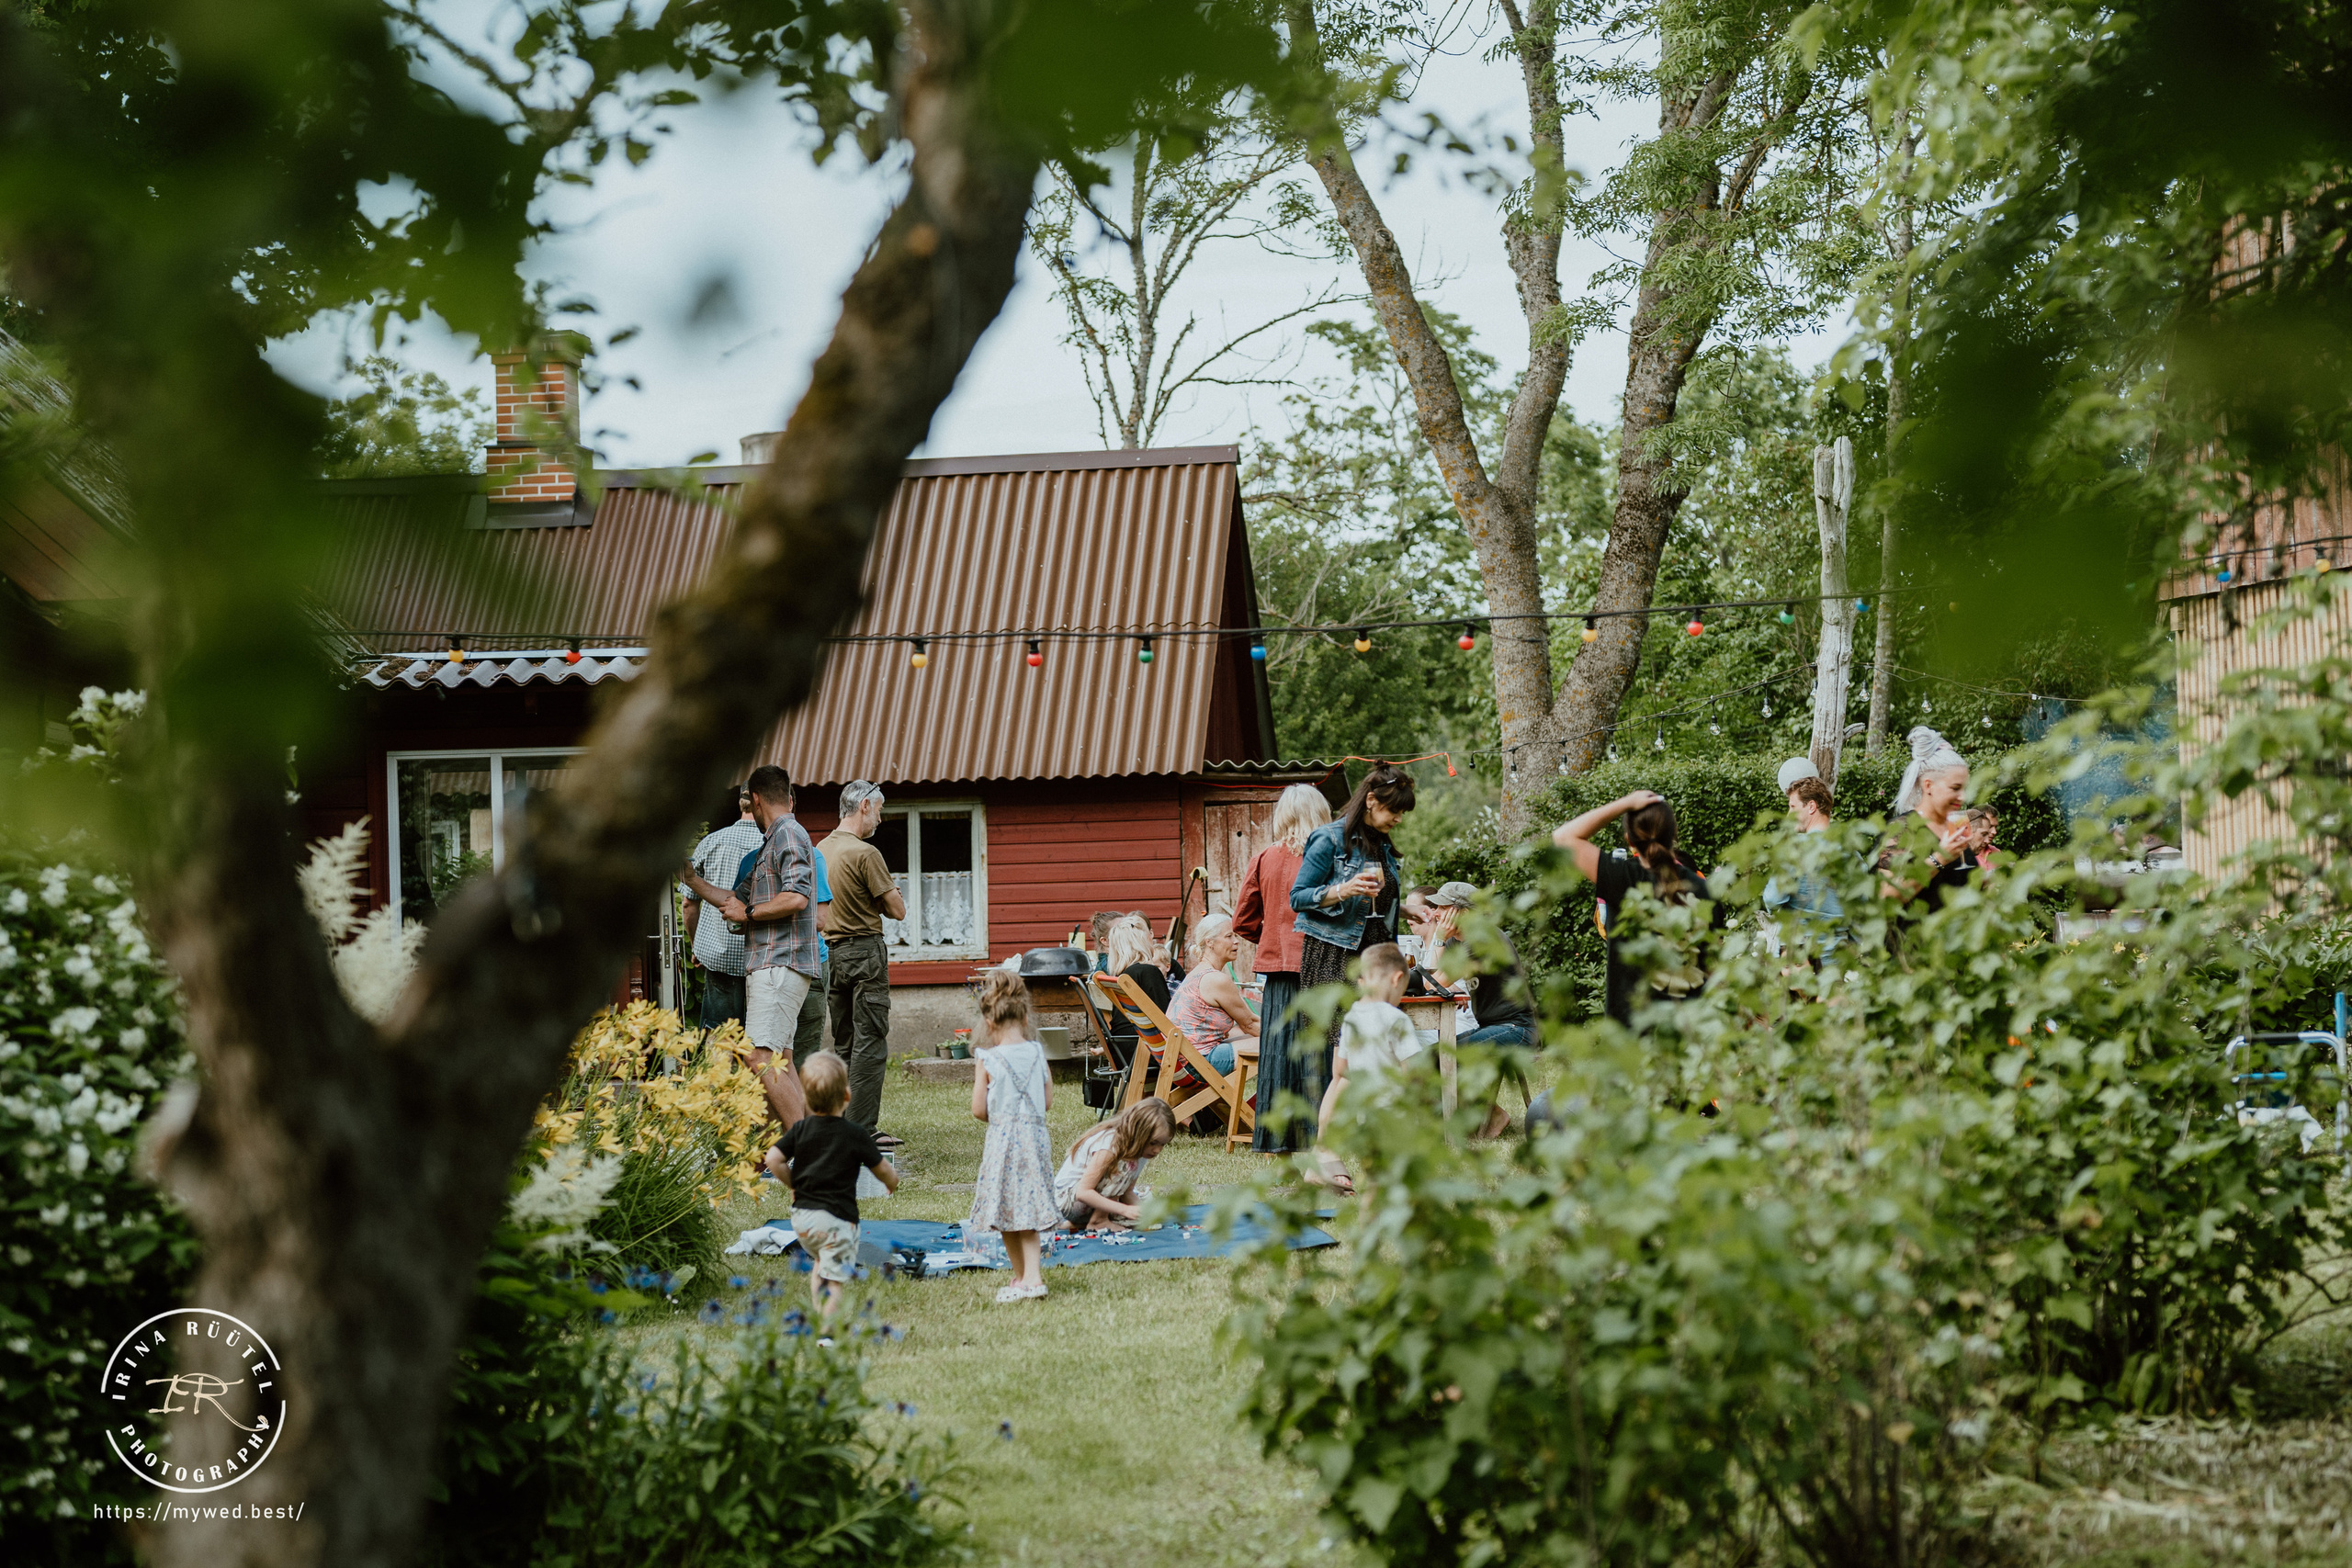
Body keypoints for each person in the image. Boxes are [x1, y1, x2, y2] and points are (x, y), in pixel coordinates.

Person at [1291, 764, 1416, 1097]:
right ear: (1371, 800)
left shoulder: (1381, 843)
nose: (1398, 819)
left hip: (1372, 957)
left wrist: (1407, 909)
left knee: (1372, 1049)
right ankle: (1328, 1131)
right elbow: (1298, 897)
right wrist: (1342, 890)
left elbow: (1374, 900)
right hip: (1337, 956)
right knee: (1344, 1063)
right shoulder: (1329, 838)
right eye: (1394, 810)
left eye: (1402, 813)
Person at [1552, 789, 1724, 1028]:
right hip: (1691, 1031)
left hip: (1631, 1034)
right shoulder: (1705, 890)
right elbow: (1715, 969)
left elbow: (1563, 837)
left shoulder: (1622, 879)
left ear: (1629, 840)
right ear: (1673, 833)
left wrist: (1625, 803)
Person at [1231, 783, 1331, 1153]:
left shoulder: (1264, 858)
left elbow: (1242, 922)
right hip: (1322, 970)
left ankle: (1277, 1142)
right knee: (1319, 1055)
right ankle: (1319, 1140)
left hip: (1278, 974)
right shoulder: (1331, 859)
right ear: (1321, 815)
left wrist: (1273, 939)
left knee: (1277, 1055)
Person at [766, 1051, 898, 1325]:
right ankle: (828, 1333)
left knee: (821, 1265)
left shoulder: (800, 1129)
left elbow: (773, 1159)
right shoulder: (855, 1134)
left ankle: (819, 1313)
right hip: (836, 1221)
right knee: (834, 1280)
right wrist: (891, 1183)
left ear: (805, 1099)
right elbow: (883, 1169)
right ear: (847, 1096)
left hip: (803, 1221)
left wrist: (793, 1183)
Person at [1404, 881, 1535, 1138]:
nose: (1436, 913)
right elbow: (1436, 977)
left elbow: (1435, 983)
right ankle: (1491, 1114)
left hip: (1516, 1030)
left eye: (1442, 908)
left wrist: (1439, 938)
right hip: (1491, 1027)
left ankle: (1485, 1119)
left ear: (1462, 912)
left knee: (1443, 1058)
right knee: (1427, 1059)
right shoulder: (1458, 941)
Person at [821, 780, 909, 1150]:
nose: (880, 820)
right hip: (864, 954)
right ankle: (862, 1130)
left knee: (844, 1042)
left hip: (830, 955)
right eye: (879, 811)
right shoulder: (865, 853)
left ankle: (839, 1122)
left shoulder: (820, 849)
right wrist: (886, 897)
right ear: (865, 806)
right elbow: (898, 910)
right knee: (870, 1039)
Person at [968, 969, 1059, 1303]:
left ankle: (1031, 1278)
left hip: (1003, 1142)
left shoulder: (988, 1058)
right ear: (1024, 1017)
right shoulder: (1037, 1052)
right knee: (1027, 1208)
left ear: (988, 1022)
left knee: (1006, 1211)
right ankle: (1023, 1278)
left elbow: (978, 1109)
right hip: (1034, 1140)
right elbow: (1046, 1102)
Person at [742, 764, 820, 1127]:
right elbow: (734, 901)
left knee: (759, 1057)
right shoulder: (773, 840)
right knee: (781, 1060)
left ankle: (806, 1146)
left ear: (755, 799)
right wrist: (692, 879)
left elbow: (796, 897)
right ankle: (807, 1144)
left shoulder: (788, 833)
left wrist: (749, 913)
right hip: (777, 963)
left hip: (779, 962)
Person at [1311, 942, 1422, 1194]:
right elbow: (1413, 1071)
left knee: (1373, 1177)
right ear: (1397, 979)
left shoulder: (1351, 1018)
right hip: (1395, 1116)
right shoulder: (1397, 1019)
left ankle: (1367, 1214)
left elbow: (1342, 1069)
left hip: (1364, 1117)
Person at [1879, 727, 1990, 911]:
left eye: (1965, 788)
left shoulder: (1956, 825)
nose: (1963, 797)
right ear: (1928, 785)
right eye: (1955, 788)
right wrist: (1939, 858)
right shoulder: (1902, 829)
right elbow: (1886, 897)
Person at [678, 784, 762, 1030]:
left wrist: (696, 945)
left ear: (740, 803)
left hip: (720, 960)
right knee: (762, 1041)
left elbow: (688, 903)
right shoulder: (773, 843)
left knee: (720, 1038)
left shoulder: (711, 842)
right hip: (762, 961)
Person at [1053, 1098, 1176, 1231]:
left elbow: (1126, 1192)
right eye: (1153, 1143)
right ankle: (1099, 1221)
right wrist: (1125, 1210)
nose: (1157, 1150)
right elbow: (1083, 1192)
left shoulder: (1141, 1150)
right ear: (1139, 1133)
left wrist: (1145, 1214)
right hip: (1069, 1200)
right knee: (1126, 1169)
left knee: (1140, 1217)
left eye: (1163, 1144)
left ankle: (1082, 1224)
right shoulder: (1110, 1146)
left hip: (1089, 1203)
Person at [1761, 771, 1848, 956]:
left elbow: (1772, 898)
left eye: (1792, 807)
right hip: (1837, 957)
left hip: (1799, 957)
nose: (1788, 815)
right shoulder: (1850, 851)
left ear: (1811, 807)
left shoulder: (1796, 849)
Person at [1165, 912, 1258, 1075]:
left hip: (1182, 1063)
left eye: (1235, 936)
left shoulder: (1197, 973)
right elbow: (1249, 1024)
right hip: (1199, 1064)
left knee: (1267, 1039)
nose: (1236, 941)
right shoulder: (1215, 979)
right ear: (1210, 942)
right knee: (1278, 1043)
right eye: (1229, 936)